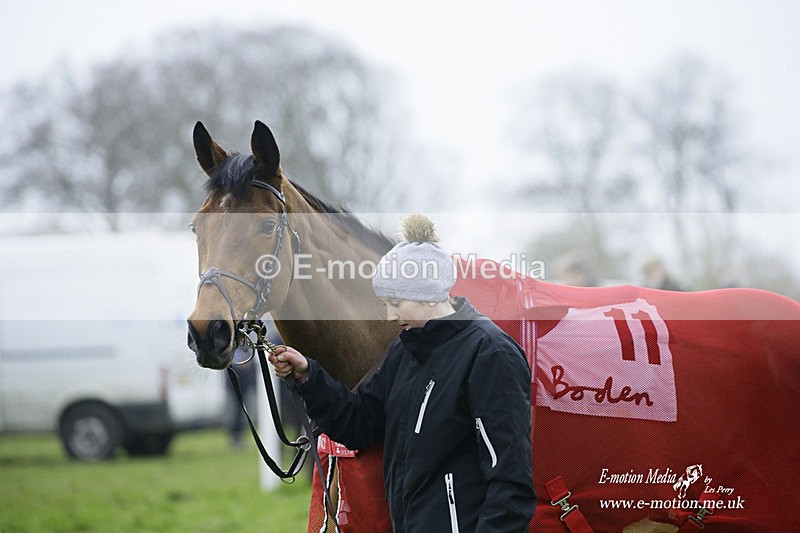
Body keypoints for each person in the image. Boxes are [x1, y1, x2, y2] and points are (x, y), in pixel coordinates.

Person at [270, 214, 536, 532]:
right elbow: (359, 423)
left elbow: (511, 484)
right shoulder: (405, 349)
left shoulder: (490, 354)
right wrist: (309, 378)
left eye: (395, 302)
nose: (389, 315)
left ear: (428, 294)